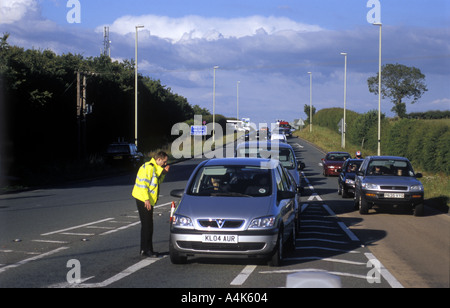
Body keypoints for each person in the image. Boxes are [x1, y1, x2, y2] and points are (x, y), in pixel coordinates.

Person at [132, 151, 170, 257]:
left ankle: (144, 249)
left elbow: (157, 182)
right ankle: (148, 250)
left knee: (146, 225)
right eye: (164, 161)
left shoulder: (154, 168)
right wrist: (146, 200)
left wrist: (164, 173)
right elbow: (143, 184)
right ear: (158, 159)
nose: (165, 164)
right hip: (143, 198)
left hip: (145, 198)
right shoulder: (149, 168)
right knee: (148, 225)